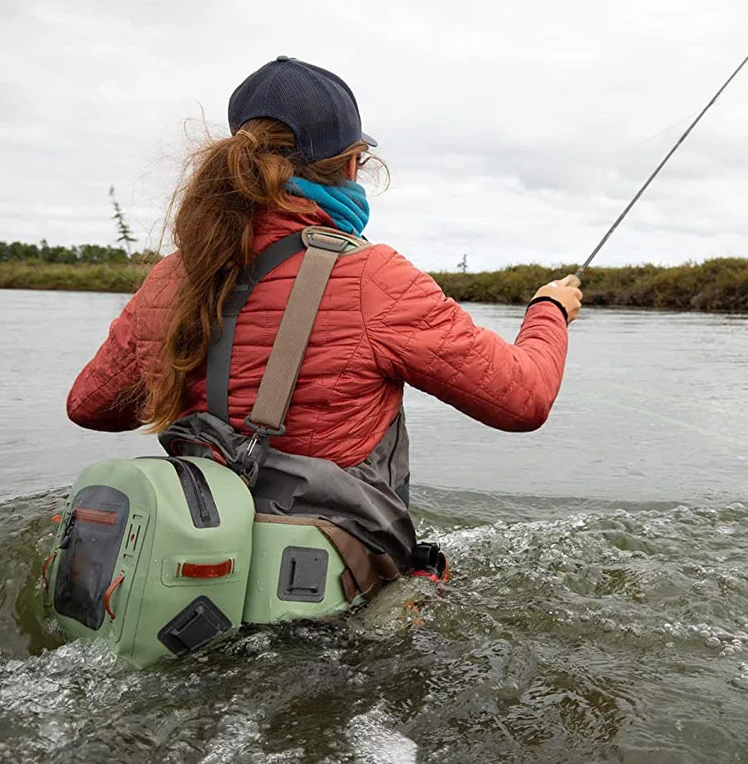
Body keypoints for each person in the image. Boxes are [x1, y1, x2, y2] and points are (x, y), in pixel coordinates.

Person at [67, 56, 582, 574]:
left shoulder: (170, 278)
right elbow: (523, 397)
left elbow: (90, 406)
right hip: (330, 603)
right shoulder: (373, 277)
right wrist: (548, 311)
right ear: (352, 164)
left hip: (190, 571)